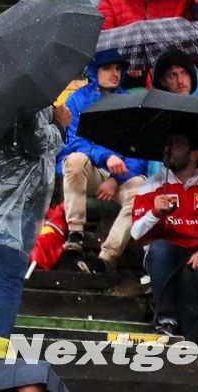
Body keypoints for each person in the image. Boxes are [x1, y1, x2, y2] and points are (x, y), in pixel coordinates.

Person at [0, 104, 63, 337]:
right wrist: (59, 124)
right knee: (9, 276)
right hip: (17, 197)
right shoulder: (26, 99)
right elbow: (36, 142)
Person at [131, 134, 198, 340]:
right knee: (159, 249)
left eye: (177, 144)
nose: (168, 149)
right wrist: (154, 212)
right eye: (167, 144)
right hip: (169, 250)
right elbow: (136, 232)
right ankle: (166, 321)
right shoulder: (151, 184)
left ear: (194, 154)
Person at [57, 51, 147, 272]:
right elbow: (73, 142)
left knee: (142, 190)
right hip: (88, 174)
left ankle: (105, 258)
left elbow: (139, 151)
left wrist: (115, 180)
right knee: (75, 159)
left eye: (118, 68)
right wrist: (106, 156)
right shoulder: (77, 100)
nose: (115, 73)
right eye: (107, 68)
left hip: (120, 178)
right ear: (94, 71)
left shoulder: (131, 103)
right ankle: (75, 234)